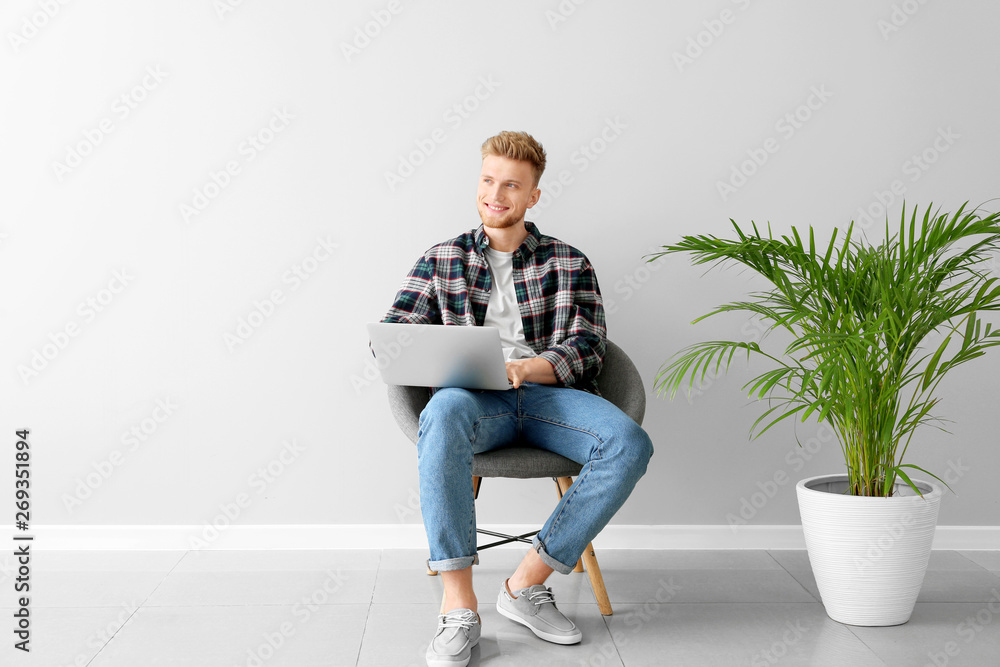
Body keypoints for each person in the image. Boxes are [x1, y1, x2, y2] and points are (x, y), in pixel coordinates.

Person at [378, 130, 653, 667]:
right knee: (445, 410)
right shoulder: (442, 259)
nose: (495, 195)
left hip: (549, 395)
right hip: (475, 401)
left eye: (511, 185)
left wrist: (533, 366)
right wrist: (434, 354)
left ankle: (525, 585)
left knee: (629, 444)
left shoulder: (568, 262)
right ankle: (459, 609)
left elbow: (590, 344)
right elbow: (398, 332)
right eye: (487, 181)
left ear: (533, 196)